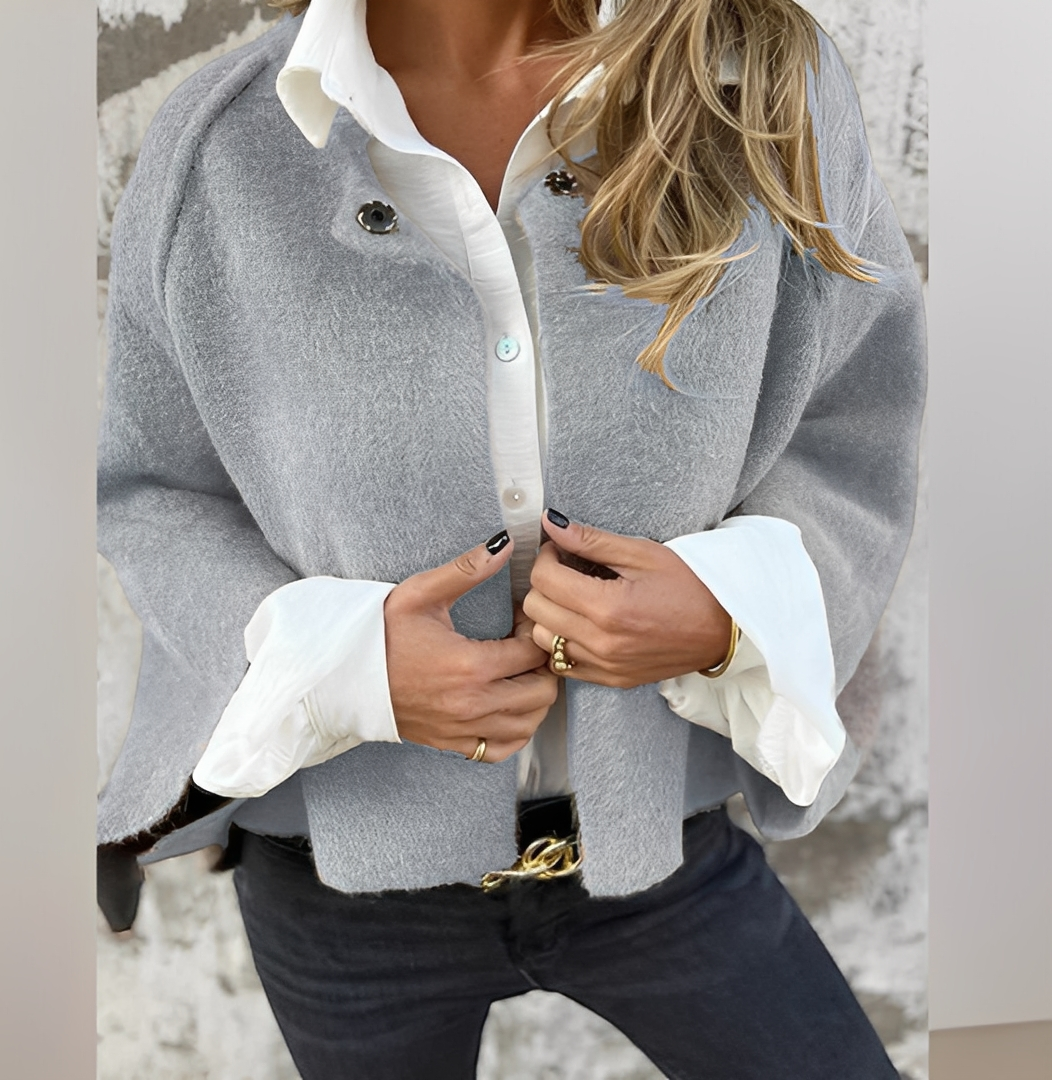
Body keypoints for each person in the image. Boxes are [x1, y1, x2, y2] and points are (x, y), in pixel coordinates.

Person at [96, 0, 925, 1076]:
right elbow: (151, 490)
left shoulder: (756, 85)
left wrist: (727, 611)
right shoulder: (219, 147)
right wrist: (346, 667)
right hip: (339, 890)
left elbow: (857, 416)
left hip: (666, 854)